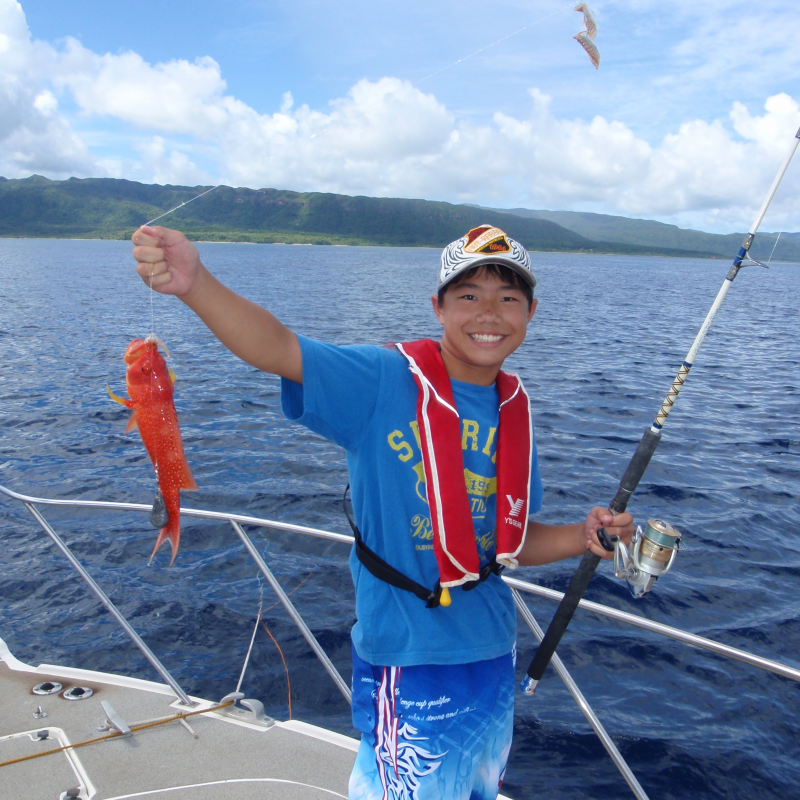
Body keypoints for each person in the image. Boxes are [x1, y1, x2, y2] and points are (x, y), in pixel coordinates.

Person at [131, 223, 633, 800]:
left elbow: (506, 541)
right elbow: (277, 349)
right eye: (468, 295)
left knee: (476, 790)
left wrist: (583, 535)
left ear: (531, 311)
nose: (488, 313)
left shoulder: (512, 410)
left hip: (492, 650)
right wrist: (195, 284)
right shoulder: (382, 379)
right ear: (438, 307)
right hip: (409, 656)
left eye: (508, 298)